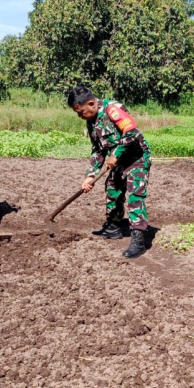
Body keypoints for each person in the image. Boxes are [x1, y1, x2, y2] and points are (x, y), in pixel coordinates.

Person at [68, 85, 152, 259]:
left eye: (81, 112)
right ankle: (113, 228)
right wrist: (90, 175)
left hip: (136, 158)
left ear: (91, 103)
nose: (79, 116)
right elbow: (98, 150)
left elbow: (132, 131)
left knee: (135, 195)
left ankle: (138, 241)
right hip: (117, 162)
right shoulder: (91, 122)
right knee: (113, 190)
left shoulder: (113, 109)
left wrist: (116, 154)